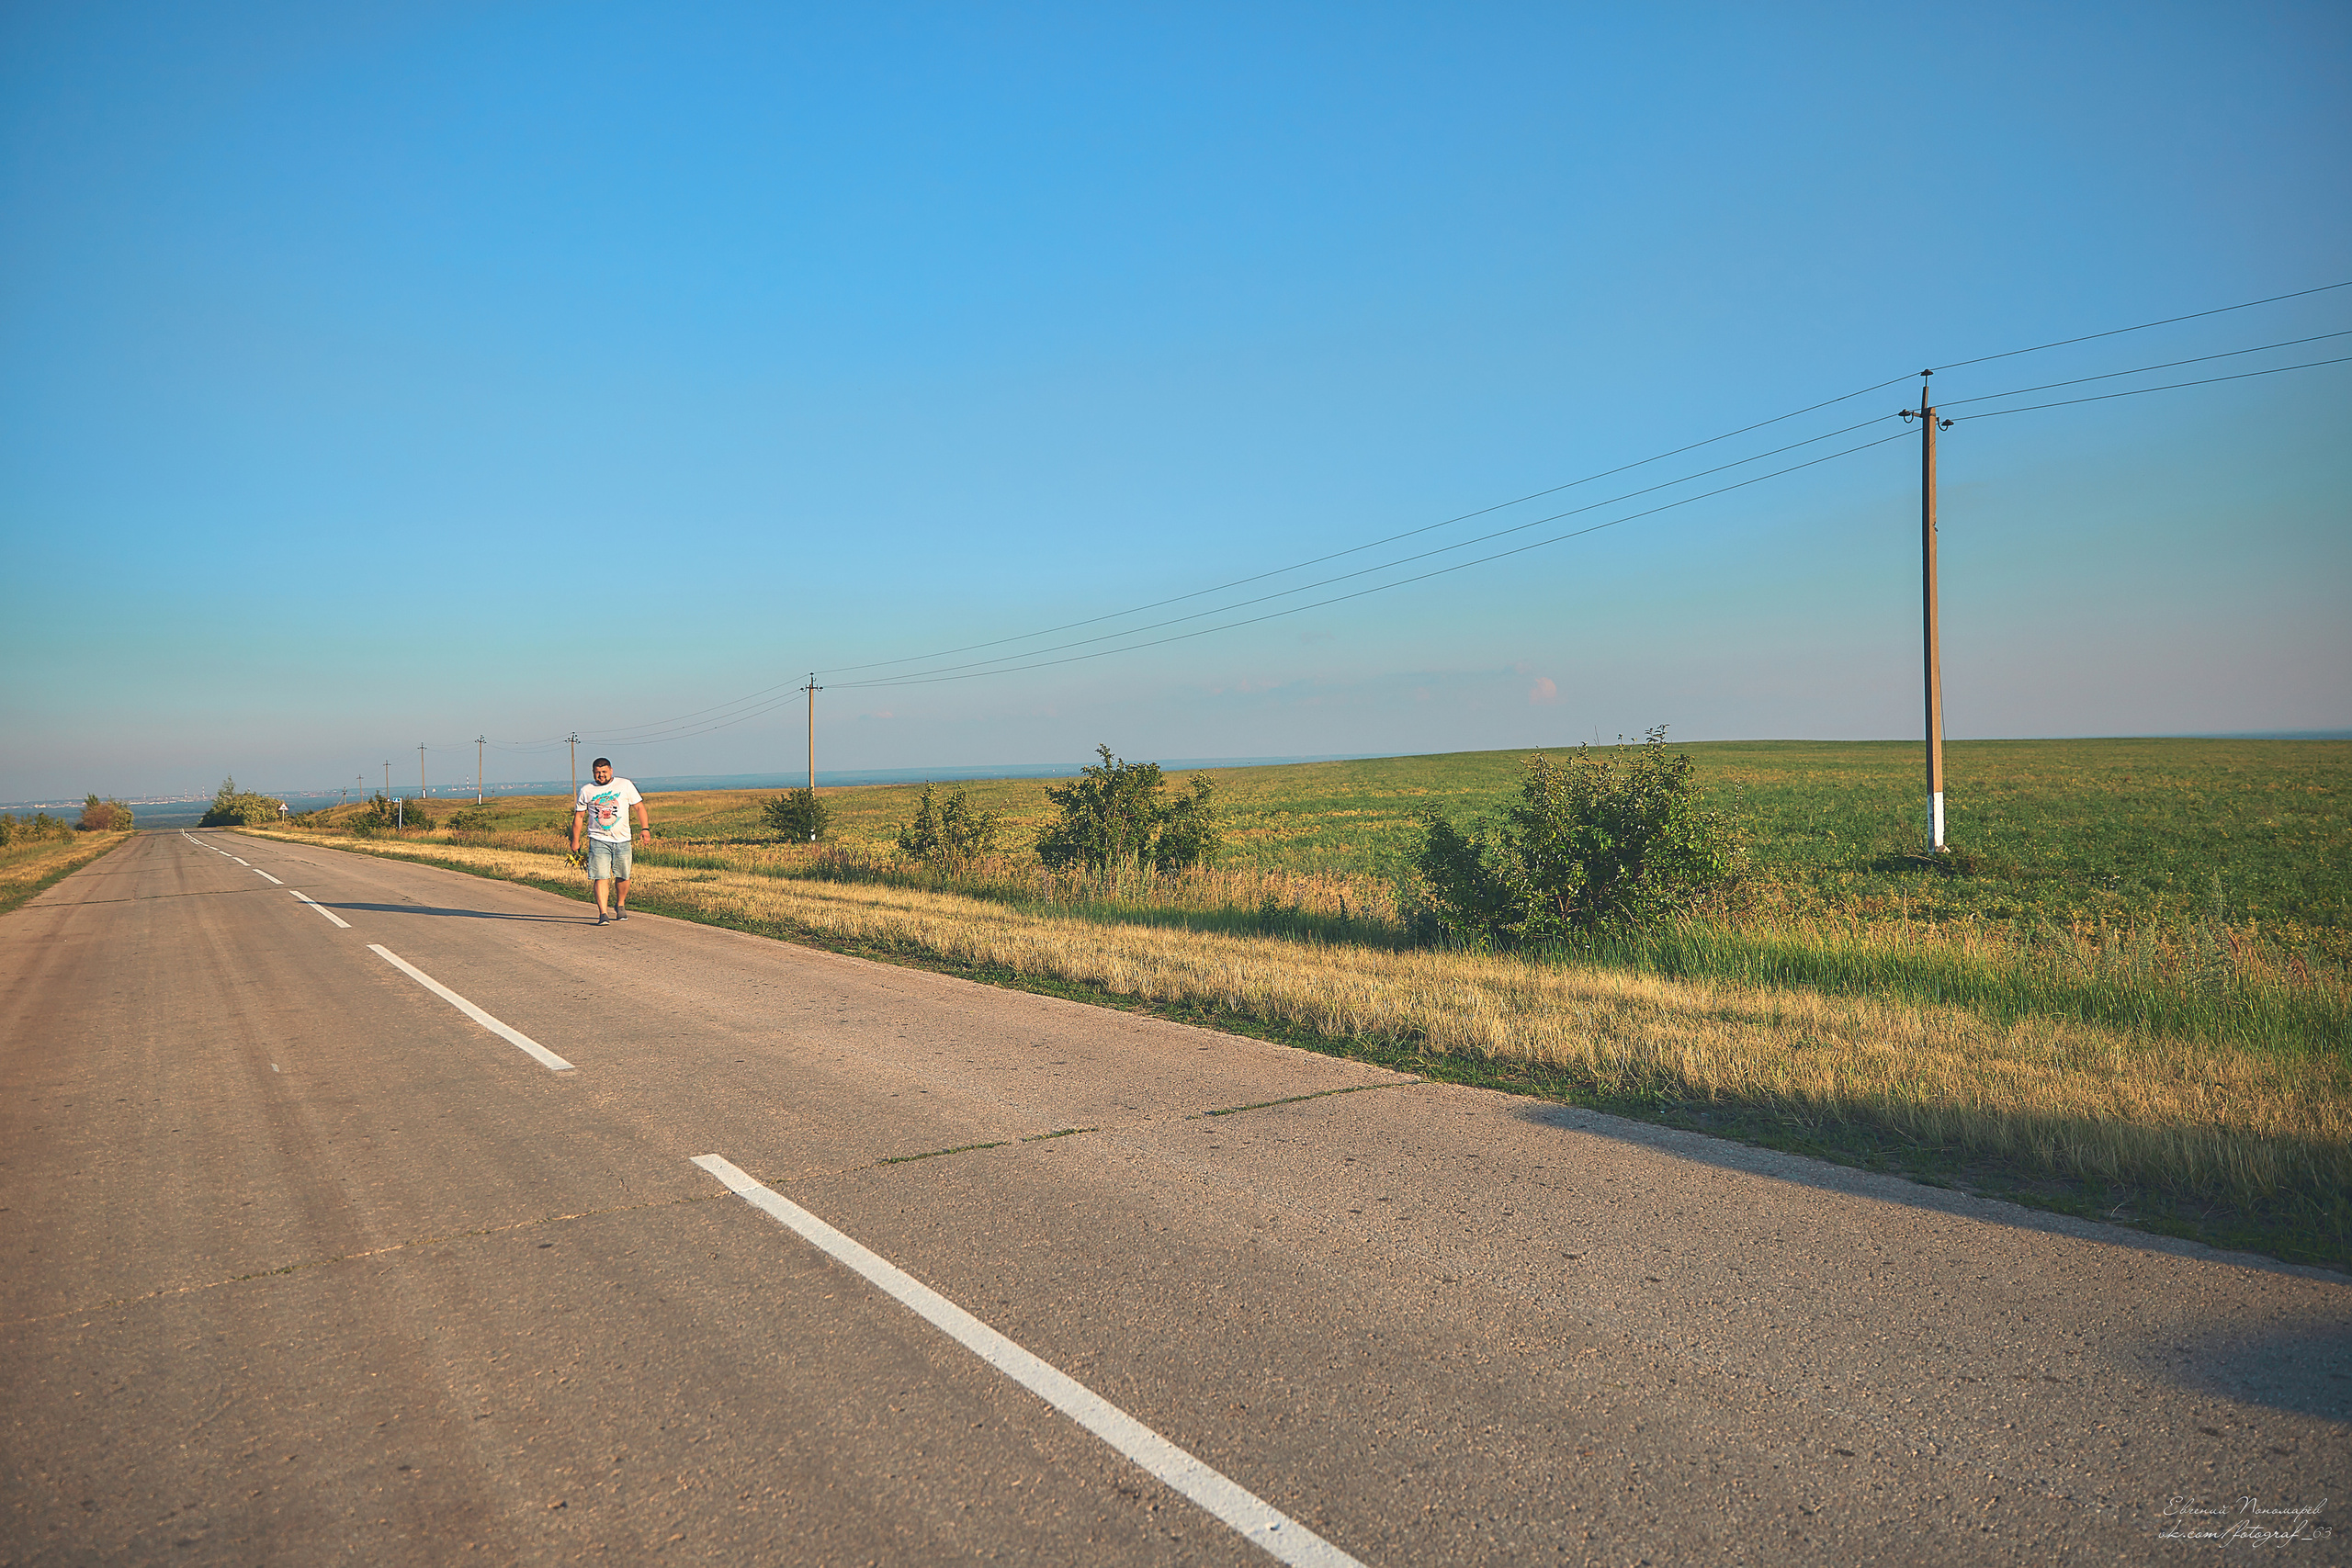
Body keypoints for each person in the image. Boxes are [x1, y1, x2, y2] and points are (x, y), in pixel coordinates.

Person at [570, 758, 650, 925]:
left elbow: (639, 807)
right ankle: (603, 913)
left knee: (623, 876)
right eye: (598, 772)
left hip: (623, 839)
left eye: (604, 772)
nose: (601, 775)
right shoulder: (587, 790)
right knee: (601, 876)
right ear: (593, 773)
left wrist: (645, 828)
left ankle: (620, 904)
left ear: (611, 771)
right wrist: (575, 840)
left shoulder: (625, 785)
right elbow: (579, 817)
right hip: (598, 840)